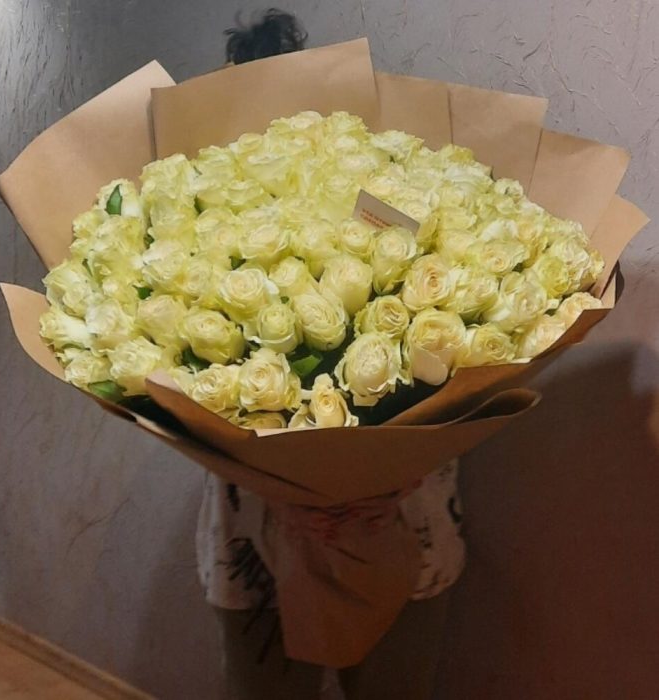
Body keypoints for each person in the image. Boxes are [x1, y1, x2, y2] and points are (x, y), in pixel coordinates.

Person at [195, 10, 466, 699]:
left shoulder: (387, 204)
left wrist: (385, 476)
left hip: (399, 521)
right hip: (256, 536)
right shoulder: (199, 233)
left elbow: (453, 335)